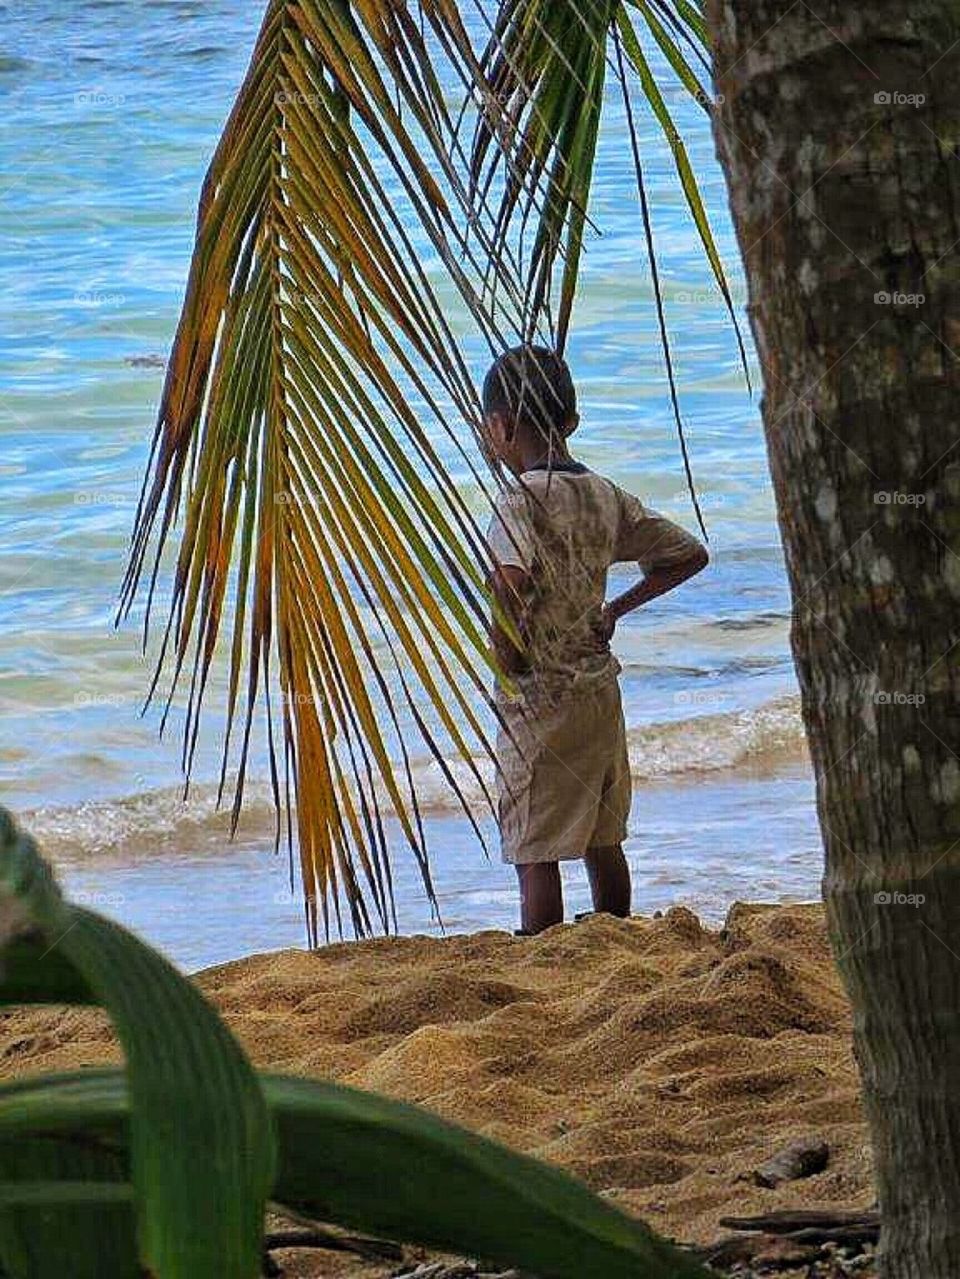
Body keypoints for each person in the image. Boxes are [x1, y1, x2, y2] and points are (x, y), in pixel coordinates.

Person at [482, 344, 708, 935]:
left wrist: (507, 657)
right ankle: (614, 931)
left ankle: (542, 944)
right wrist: (616, 609)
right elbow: (687, 554)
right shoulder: (605, 495)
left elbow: (510, 585)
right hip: (597, 689)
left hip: (539, 696)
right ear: (572, 423)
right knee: (602, 835)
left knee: (535, 845)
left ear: (500, 427)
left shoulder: (516, 501)